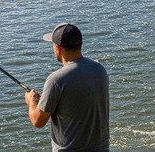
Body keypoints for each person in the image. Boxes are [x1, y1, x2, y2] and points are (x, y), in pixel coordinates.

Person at [25, 23, 110, 152]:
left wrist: (32, 101)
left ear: (58, 48)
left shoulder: (56, 80)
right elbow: (75, 103)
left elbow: (38, 121)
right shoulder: (99, 69)